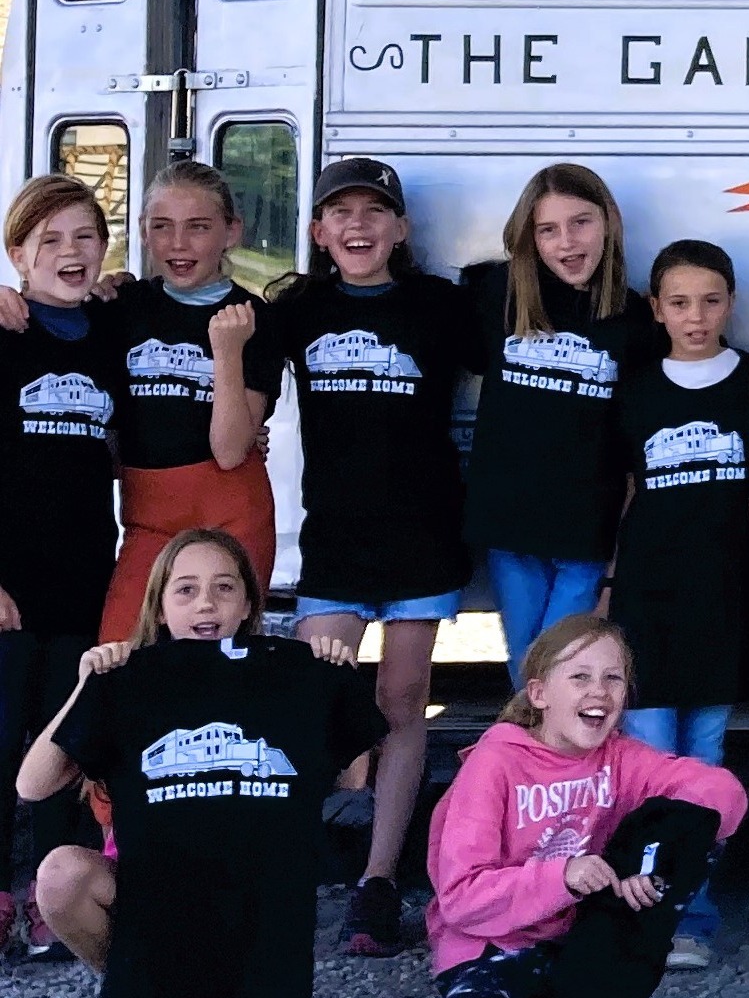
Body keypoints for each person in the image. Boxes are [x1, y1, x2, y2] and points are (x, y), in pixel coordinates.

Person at [16, 527, 380, 998]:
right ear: (159, 607)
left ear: (248, 604)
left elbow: (353, 779)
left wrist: (339, 682)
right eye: (185, 590)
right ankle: (145, 988)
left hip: (251, 898)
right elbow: (31, 786)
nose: (206, 603)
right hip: (149, 886)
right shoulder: (128, 678)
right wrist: (85, 685)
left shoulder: (292, 675)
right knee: (61, 874)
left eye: (224, 588)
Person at [244, 158, 475, 957]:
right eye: (339, 213)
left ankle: (378, 883)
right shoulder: (295, 308)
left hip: (422, 536)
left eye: (375, 212)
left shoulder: (442, 306)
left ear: (401, 230)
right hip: (335, 542)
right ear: (317, 233)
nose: (358, 226)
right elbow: (224, 357)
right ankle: (282, 866)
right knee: (319, 704)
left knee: (404, 700)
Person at [423, 612, 746, 998]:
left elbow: (723, 795)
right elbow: (461, 898)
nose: (599, 691)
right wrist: (563, 877)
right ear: (539, 694)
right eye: (580, 677)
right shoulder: (496, 764)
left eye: (612, 678)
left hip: (576, 943)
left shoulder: (618, 757)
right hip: (490, 946)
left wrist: (647, 865)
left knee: (690, 821)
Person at [0, 162, 278, 645]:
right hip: (140, 512)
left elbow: (230, 450)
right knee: (115, 658)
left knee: (215, 655)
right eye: (161, 227)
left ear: (232, 232)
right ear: (143, 235)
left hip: (224, 503)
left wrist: (228, 355)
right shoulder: (119, 308)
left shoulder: (252, 319)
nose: (178, 243)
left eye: (198, 227)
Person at [608, 240, 749, 968]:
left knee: (704, 761)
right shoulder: (636, 386)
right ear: (657, 309)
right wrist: (611, 586)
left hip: (721, 599)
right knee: (647, 760)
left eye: (710, 300)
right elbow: (623, 495)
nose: (696, 316)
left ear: (731, 303)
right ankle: (644, 905)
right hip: (648, 597)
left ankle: (692, 916)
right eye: (679, 302)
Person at [459, 165, 664, 672]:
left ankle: (543, 752)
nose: (567, 243)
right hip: (511, 524)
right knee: (527, 665)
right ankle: (535, 753)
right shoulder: (498, 293)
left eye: (581, 223)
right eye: (548, 229)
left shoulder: (635, 318)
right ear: (529, 237)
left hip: (587, 531)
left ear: (609, 222)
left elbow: (639, 439)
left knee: (564, 663)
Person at [0, 172, 127, 957]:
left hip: (85, 575)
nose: (70, 254)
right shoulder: (6, 331)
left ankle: (48, 894)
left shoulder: (111, 331)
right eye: (50, 240)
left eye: (86, 237)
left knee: (62, 740)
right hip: (10, 583)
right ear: (18, 253)